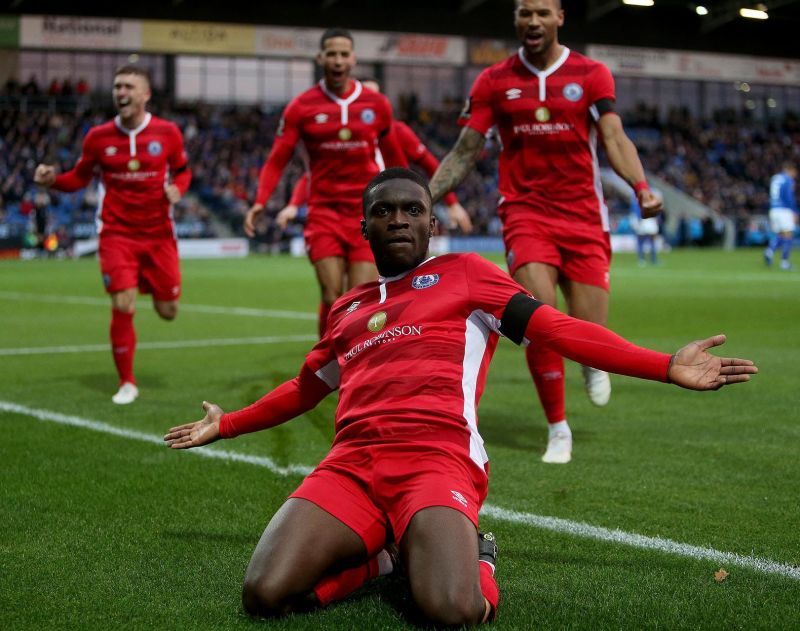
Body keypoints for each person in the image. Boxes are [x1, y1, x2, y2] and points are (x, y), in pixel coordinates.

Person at [164, 168, 756, 626]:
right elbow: (304, 389)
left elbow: (557, 329)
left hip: (435, 460)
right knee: (265, 594)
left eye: (412, 210)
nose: (398, 219)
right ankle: (382, 561)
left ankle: (481, 554)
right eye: (383, 211)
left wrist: (662, 365)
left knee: (453, 609)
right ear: (363, 226)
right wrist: (229, 424)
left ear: (431, 224)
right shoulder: (347, 309)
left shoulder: (466, 274)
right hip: (351, 466)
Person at [428, 0, 663, 464]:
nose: (532, 21)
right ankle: (558, 428)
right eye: (523, 12)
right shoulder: (493, 80)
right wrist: (425, 195)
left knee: (589, 329)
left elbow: (614, 137)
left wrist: (640, 187)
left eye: (541, 12)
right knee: (537, 319)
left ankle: (591, 362)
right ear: (515, 19)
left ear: (560, 17)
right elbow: (465, 150)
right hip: (525, 212)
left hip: (582, 215)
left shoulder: (592, 73)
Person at [34, 66, 191, 404]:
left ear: (145, 94)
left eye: (128, 87)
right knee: (123, 303)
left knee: (168, 311)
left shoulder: (168, 133)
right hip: (116, 234)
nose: (121, 92)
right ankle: (127, 382)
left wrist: (178, 188)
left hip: (159, 235)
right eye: (117, 86)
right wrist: (52, 180)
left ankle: (148, 282)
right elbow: (78, 177)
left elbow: (183, 170)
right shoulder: (98, 137)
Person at [245, 29, 407, 338]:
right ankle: (329, 363)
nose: (337, 60)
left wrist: (411, 204)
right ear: (320, 58)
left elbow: (396, 160)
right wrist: (260, 201)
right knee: (332, 296)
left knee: (360, 299)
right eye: (331, 54)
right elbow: (278, 158)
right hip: (323, 213)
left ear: (353, 59)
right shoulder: (301, 106)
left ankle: (353, 366)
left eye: (344, 54)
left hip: (367, 214)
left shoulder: (377, 104)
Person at [275, 79, 473, 236]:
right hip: (343, 211)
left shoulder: (398, 130)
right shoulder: (342, 138)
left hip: (383, 212)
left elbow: (430, 164)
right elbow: (314, 174)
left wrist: (452, 203)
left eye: (376, 95)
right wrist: (293, 205)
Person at [764, 163, 797, 271]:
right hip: (784, 210)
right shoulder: (788, 179)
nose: (795, 175)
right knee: (788, 235)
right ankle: (785, 263)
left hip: (773, 209)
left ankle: (769, 251)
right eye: (794, 172)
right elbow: (788, 196)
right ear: (790, 170)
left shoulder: (775, 178)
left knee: (781, 234)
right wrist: (794, 211)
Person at [630, 190, 662, 266]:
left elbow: (635, 212)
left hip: (644, 222)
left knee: (642, 242)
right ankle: (652, 259)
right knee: (650, 242)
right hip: (648, 223)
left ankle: (642, 259)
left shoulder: (636, 202)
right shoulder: (649, 201)